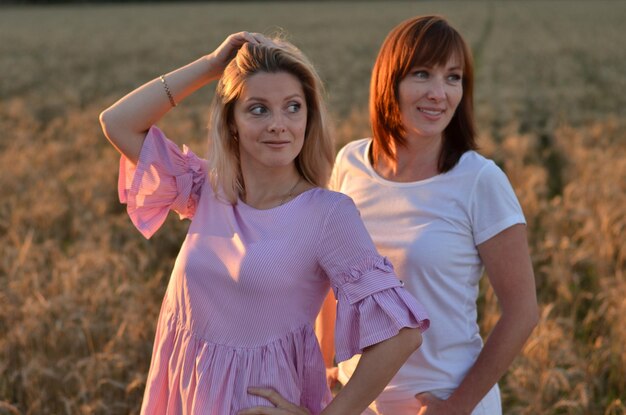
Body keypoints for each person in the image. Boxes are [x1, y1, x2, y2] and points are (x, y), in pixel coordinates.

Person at [98, 32, 430, 415]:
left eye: (293, 107)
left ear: (309, 117)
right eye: (258, 109)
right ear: (232, 121)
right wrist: (210, 66)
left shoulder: (327, 215)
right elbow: (117, 122)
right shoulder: (208, 190)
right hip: (183, 392)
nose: (278, 124)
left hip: (257, 403)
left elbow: (401, 336)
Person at [316, 15, 539, 415]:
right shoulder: (349, 163)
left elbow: (522, 312)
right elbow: (330, 280)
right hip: (357, 404)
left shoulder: (479, 181)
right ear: (390, 81)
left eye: (453, 78)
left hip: (445, 400)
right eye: (422, 74)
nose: (439, 93)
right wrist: (323, 368)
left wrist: (457, 406)